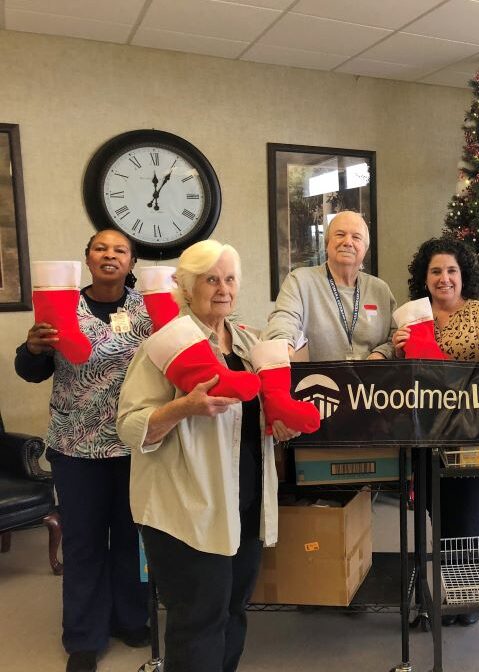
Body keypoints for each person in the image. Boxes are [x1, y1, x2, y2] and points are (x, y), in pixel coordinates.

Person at [117, 241, 290, 672]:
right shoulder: (165, 345)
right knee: (199, 619)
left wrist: (280, 423)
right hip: (186, 510)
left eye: (229, 279)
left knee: (233, 611)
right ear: (187, 288)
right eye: (211, 279)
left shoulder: (251, 343)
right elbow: (129, 426)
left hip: (243, 505)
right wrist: (183, 407)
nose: (223, 289)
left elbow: (261, 413)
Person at [14, 229, 152, 672]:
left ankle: (130, 619)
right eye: (101, 249)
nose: (110, 256)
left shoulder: (149, 308)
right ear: (87, 259)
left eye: (120, 251)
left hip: (134, 444)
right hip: (75, 448)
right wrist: (33, 348)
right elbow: (31, 368)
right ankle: (84, 637)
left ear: (131, 263)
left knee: (132, 539)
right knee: (84, 543)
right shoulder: (61, 305)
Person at [392, 237, 479, 627]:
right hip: (425, 430)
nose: (444, 279)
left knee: (465, 514)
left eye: (451, 271)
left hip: (470, 429)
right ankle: (448, 591)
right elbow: (403, 378)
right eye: (436, 271)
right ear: (424, 278)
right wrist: (398, 351)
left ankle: (465, 596)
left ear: (462, 276)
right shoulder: (411, 316)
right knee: (435, 513)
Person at [264, 210, 395, 360]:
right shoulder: (300, 281)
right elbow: (284, 319)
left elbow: (395, 338)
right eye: (340, 234)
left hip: (372, 382)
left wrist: (382, 353)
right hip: (319, 380)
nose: (347, 242)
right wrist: (282, 343)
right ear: (327, 243)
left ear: (365, 249)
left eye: (356, 237)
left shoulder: (380, 290)